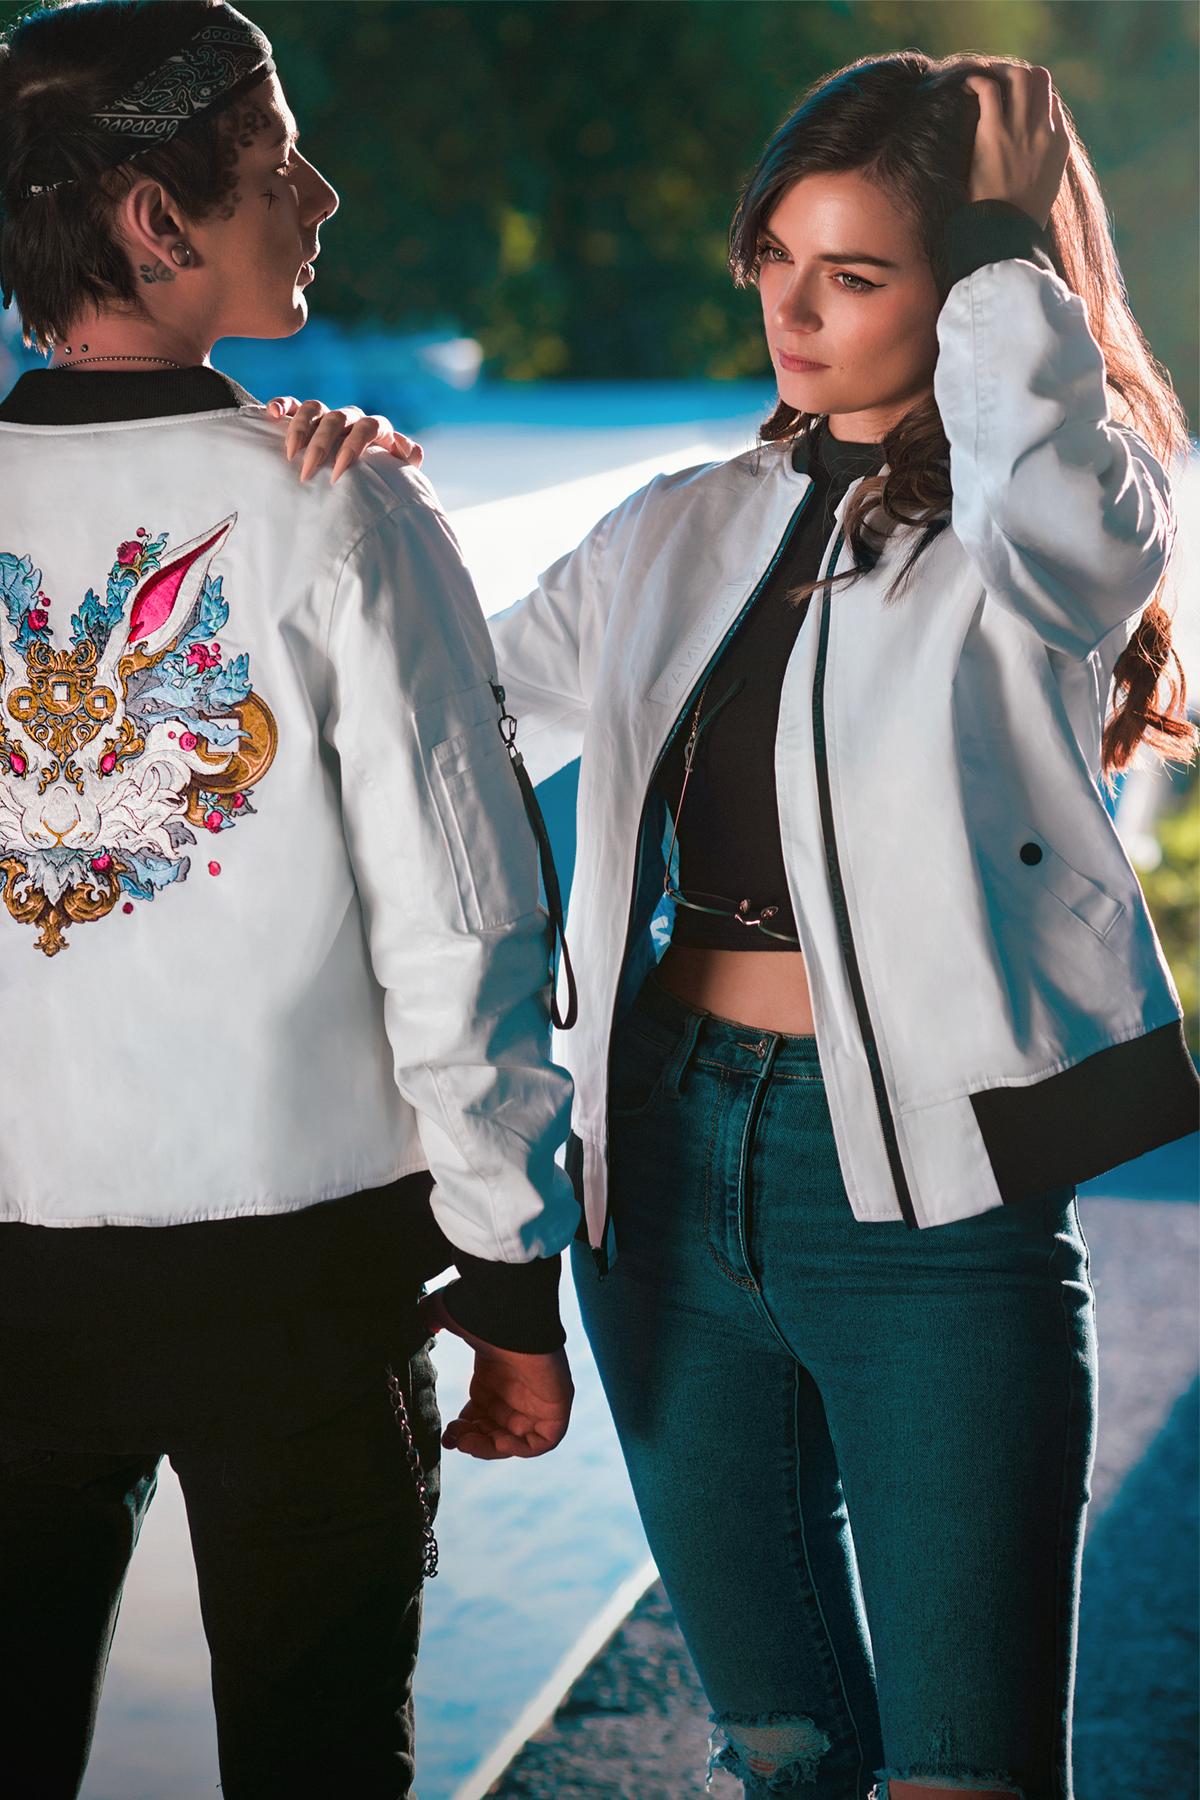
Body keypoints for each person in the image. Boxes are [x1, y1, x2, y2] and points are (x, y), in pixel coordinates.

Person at [299, 51, 1199, 1800]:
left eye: (853, 274)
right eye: (775, 260)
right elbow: (444, 717)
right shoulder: (677, 527)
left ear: (967, 289)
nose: (792, 312)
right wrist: (353, 512)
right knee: (785, 1755)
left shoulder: (1049, 535)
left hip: (935, 1206)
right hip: (662, 1166)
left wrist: (1010, 247)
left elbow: (1063, 522)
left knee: (968, 1771)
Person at [0, 4, 577, 1797]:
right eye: (276, 163)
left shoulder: (328, 495)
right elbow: (463, 926)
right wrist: (511, 1270)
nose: (319, 197)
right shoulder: (341, 516)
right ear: (155, 220)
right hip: (298, 1295)